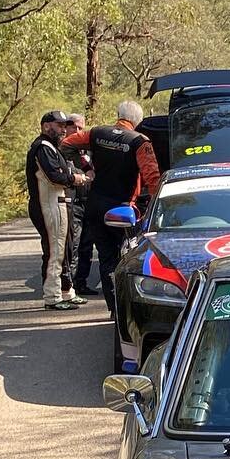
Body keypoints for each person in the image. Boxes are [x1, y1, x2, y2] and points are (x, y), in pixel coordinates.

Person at [60, 101, 160, 319]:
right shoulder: (139, 141)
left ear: (118, 115)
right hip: (122, 210)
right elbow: (152, 176)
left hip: (95, 205)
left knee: (106, 258)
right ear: (138, 121)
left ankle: (114, 309)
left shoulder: (97, 133)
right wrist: (156, 205)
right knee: (128, 258)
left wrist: (86, 167)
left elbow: (67, 144)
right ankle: (125, 309)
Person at [24, 110, 87, 310]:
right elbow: (54, 176)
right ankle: (52, 296)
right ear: (46, 126)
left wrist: (70, 174)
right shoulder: (42, 147)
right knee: (55, 250)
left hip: (59, 202)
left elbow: (63, 171)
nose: (62, 129)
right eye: (59, 125)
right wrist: (73, 179)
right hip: (48, 203)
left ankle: (67, 291)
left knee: (66, 249)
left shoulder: (53, 147)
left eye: (63, 125)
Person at [61, 112, 95, 295]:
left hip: (89, 203)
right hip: (71, 203)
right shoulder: (60, 150)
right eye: (73, 126)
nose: (76, 130)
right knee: (72, 245)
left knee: (87, 246)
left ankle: (81, 282)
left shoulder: (89, 150)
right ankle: (69, 285)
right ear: (66, 127)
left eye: (80, 127)